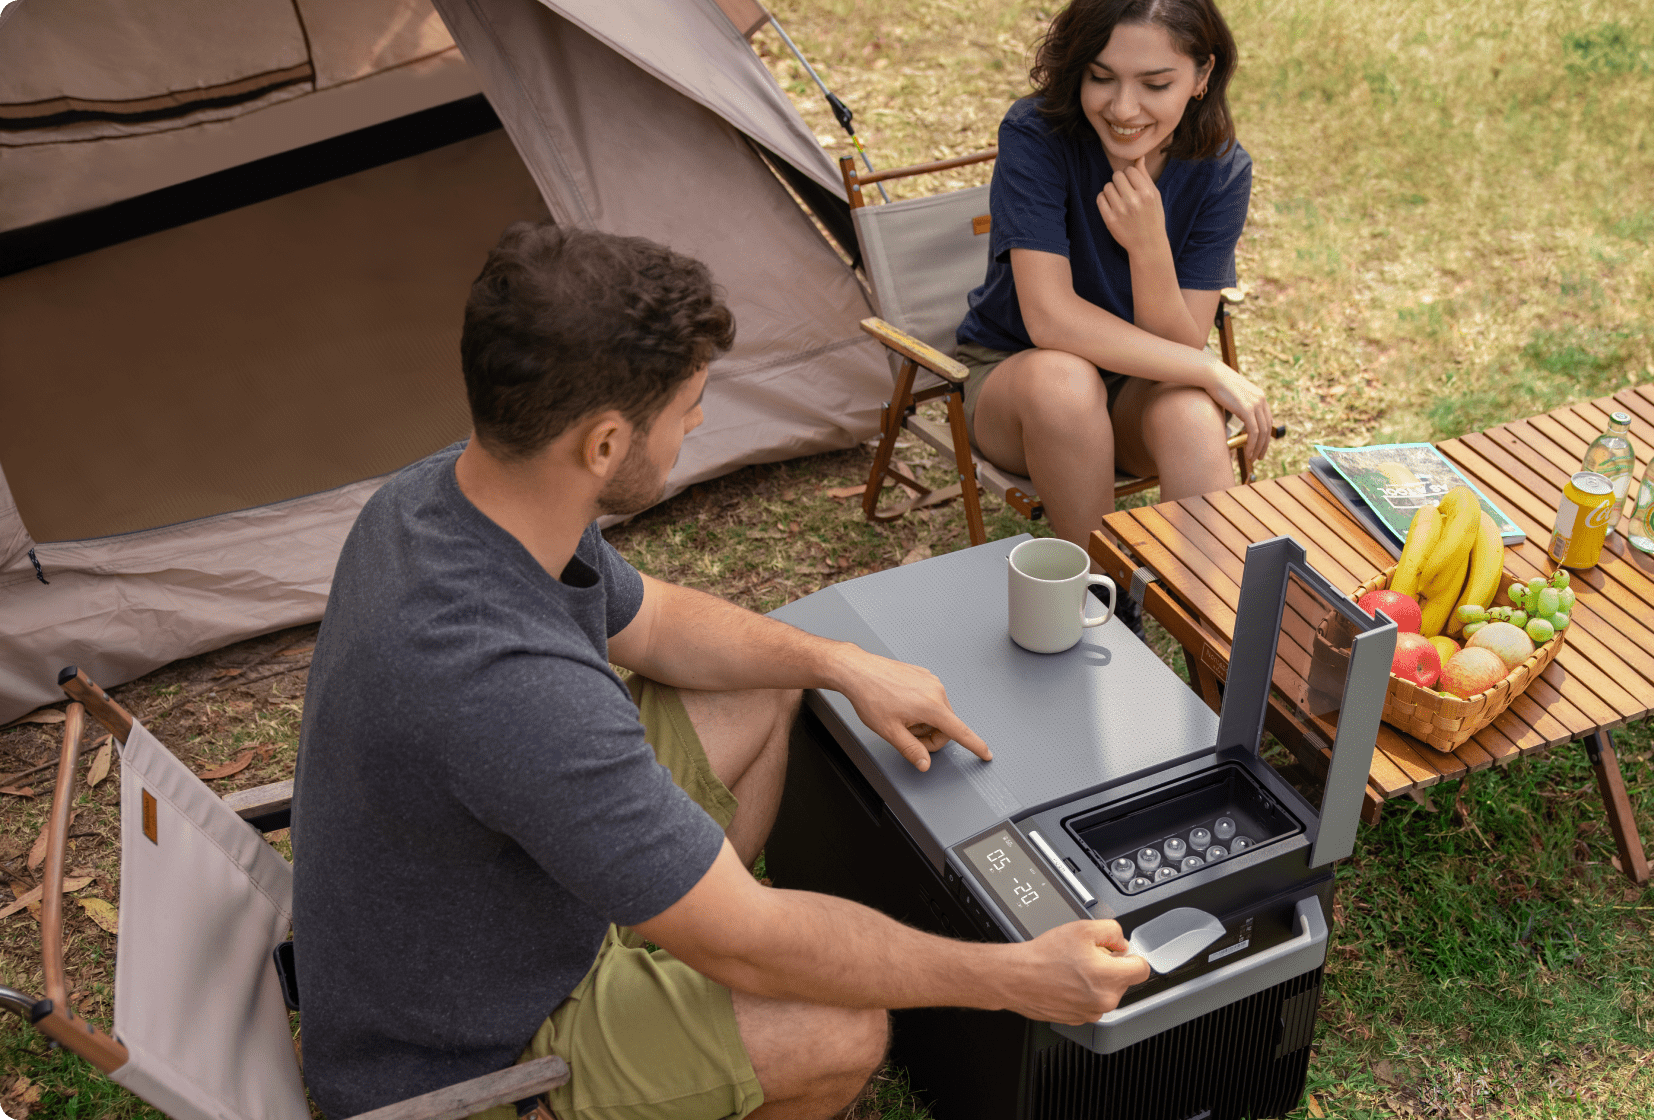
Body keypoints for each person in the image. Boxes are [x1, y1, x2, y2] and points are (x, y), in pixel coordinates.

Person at [292, 223, 1148, 1120]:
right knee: (838, 1030)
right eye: (688, 403)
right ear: (605, 444)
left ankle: (680, 914)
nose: (697, 420)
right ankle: (674, 963)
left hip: (500, 909)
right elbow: (754, 944)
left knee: (767, 677)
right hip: (467, 1052)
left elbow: (653, 621)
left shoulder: (445, 497)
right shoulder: (510, 687)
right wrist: (1017, 976)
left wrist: (838, 662)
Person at [953, 0, 1273, 566]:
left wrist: (1148, 247)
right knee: (1066, 381)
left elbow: (1179, 344)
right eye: (1101, 77)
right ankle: (1104, 597)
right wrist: (1207, 367)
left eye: (1154, 84)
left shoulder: (1221, 170)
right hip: (1019, 382)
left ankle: (1213, 623)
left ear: (1201, 77)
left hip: (1135, 388)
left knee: (1192, 414)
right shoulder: (1038, 137)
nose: (1123, 108)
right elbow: (1049, 318)